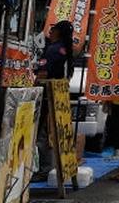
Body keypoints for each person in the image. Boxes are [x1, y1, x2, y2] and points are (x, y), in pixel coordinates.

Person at [34, 20, 74, 179]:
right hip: (60, 97)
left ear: (59, 32)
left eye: (53, 29)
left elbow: (42, 73)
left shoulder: (53, 50)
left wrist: (33, 84)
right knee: (55, 132)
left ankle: (44, 169)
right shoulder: (66, 51)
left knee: (43, 132)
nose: (50, 32)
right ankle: (54, 168)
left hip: (47, 95)